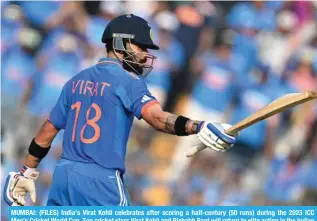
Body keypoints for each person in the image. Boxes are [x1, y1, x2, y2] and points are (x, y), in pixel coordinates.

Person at [3, 14, 238, 206]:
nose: (146, 55)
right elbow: (157, 118)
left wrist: (27, 172)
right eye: (142, 46)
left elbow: (46, 131)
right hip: (101, 180)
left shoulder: (75, 80)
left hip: (63, 177)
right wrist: (199, 126)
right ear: (120, 43)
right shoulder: (128, 81)